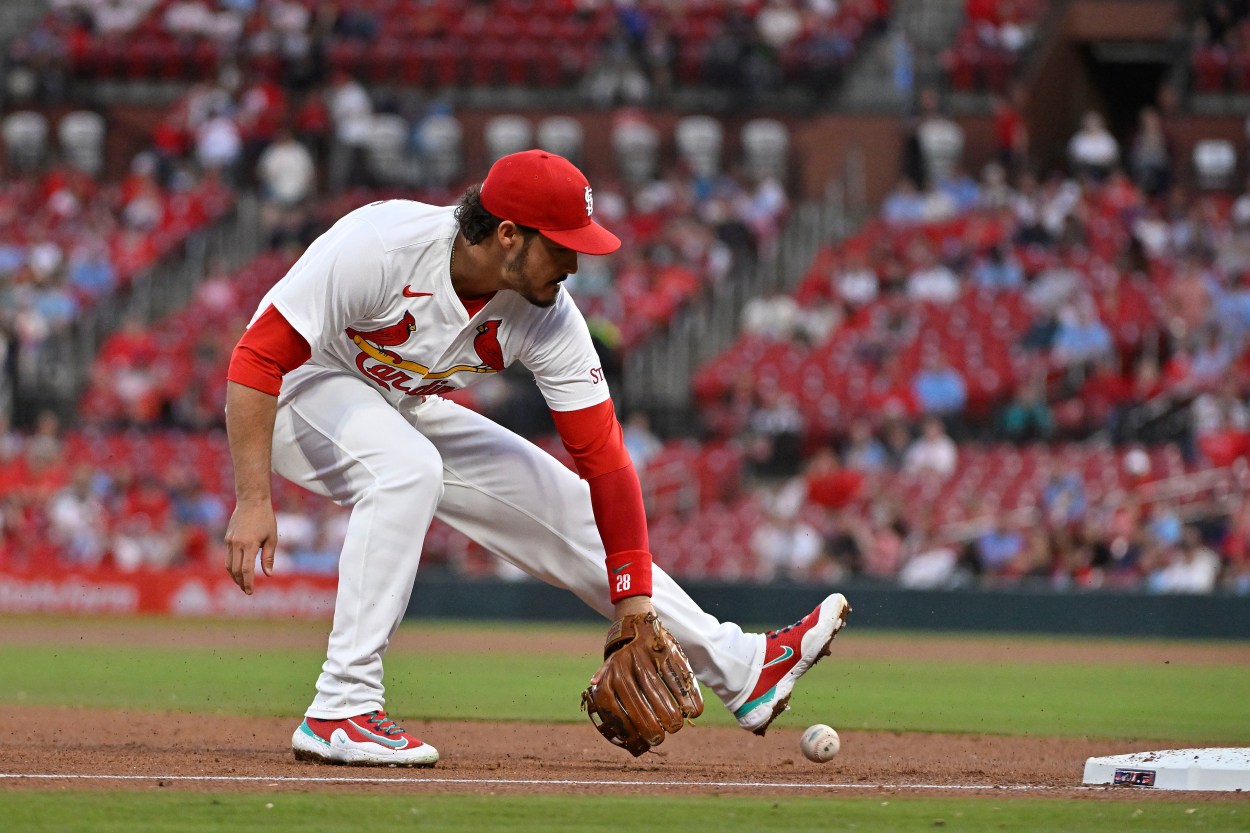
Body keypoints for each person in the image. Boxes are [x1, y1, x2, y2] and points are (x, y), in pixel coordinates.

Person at [222, 150, 850, 767]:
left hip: (392, 400)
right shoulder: (383, 245)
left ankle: (743, 670)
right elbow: (255, 359)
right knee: (406, 468)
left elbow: (604, 460)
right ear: (507, 235)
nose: (575, 263)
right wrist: (253, 498)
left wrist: (632, 601)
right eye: (562, 245)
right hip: (291, 390)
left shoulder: (549, 318)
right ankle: (342, 705)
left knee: (566, 505)